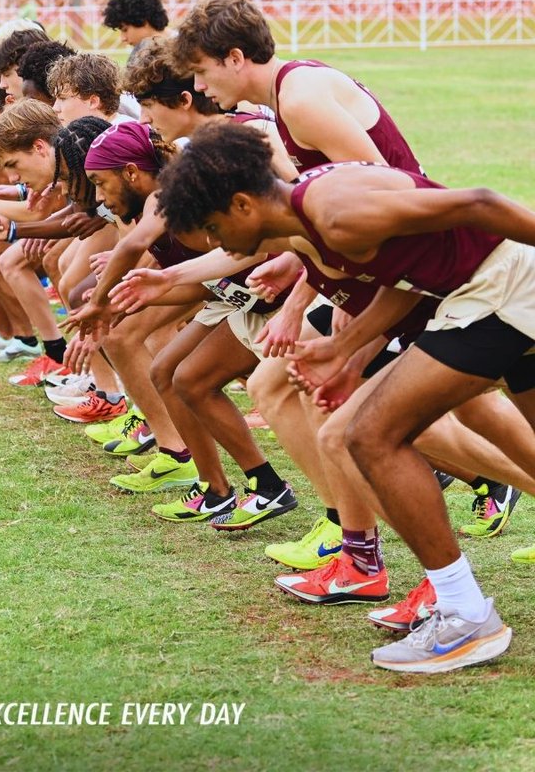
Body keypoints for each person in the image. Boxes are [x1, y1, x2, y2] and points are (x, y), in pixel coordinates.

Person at [157, 121, 535, 674]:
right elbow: (404, 279)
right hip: (490, 293)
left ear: (242, 204)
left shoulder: (333, 213)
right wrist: (345, 352)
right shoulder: (309, 221)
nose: (218, 243)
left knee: (371, 435)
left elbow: (479, 202)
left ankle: (463, 612)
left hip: (499, 292)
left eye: (215, 227)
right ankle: (460, 609)